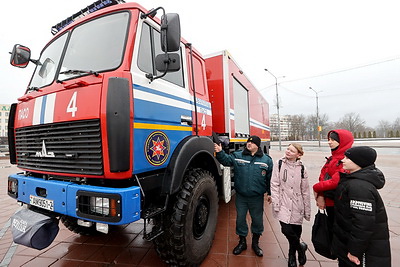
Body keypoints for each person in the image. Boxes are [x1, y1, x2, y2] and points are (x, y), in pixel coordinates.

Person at [214, 135, 273, 257]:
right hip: (241, 196)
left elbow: (270, 178)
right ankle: (242, 242)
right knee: (240, 219)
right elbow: (226, 161)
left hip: (256, 197)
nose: (249, 144)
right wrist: (220, 153)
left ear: (257, 145)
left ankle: (255, 243)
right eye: (248, 142)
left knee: (257, 220)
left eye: (252, 143)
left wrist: (270, 193)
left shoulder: (266, 160)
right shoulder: (238, 155)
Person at [332, 146, 391, 267]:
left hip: (363, 252)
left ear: (359, 162)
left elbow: (363, 225)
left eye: (347, 158)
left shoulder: (360, 187)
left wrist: (354, 251)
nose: (343, 160)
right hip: (350, 244)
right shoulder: (354, 180)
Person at [270, 143, 311, 267]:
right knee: (286, 229)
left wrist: (307, 210)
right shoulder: (279, 164)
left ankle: (292, 254)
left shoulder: (302, 168)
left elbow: (305, 191)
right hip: (282, 202)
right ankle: (300, 248)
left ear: (298, 155)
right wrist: (276, 203)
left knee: (296, 232)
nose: (288, 152)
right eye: (288, 149)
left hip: (297, 205)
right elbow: (274, 184)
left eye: (292, 151)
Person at [312, 130, 354, 234]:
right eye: (329, 139)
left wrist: (316, 188)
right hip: (329, 201)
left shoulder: (347, 160)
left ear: (343, 142)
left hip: (339, 203)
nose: (329, 142)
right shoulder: (332, 158)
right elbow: (323, 176)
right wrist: (321, 196)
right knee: (331, 230)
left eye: (333, 140)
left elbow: (335, 181)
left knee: (339, 233)